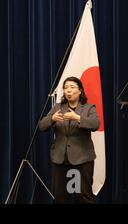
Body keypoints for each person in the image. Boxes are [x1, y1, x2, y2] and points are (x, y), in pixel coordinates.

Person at [39, 76, 100, 204]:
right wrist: (52, 119)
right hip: (61, 159)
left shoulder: (88, 108)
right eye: (66, 88)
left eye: (72, 87)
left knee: (82, 196)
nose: (68, 91)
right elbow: (42, 126)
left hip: (81, 159)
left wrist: (77, 117)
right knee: (61, 197)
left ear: (80, 91)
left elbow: (95, 124)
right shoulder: (57, 108)